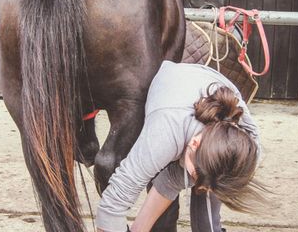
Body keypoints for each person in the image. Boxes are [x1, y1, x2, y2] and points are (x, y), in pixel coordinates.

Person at [97, 61, 264, 232]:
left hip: (203, 102)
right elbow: (112, 206)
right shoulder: (164, 134)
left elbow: (175, 181)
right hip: (173, 86)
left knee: (210, 192)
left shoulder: (250, 147)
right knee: (194, 179)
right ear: (194, 143)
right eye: (193, 174)